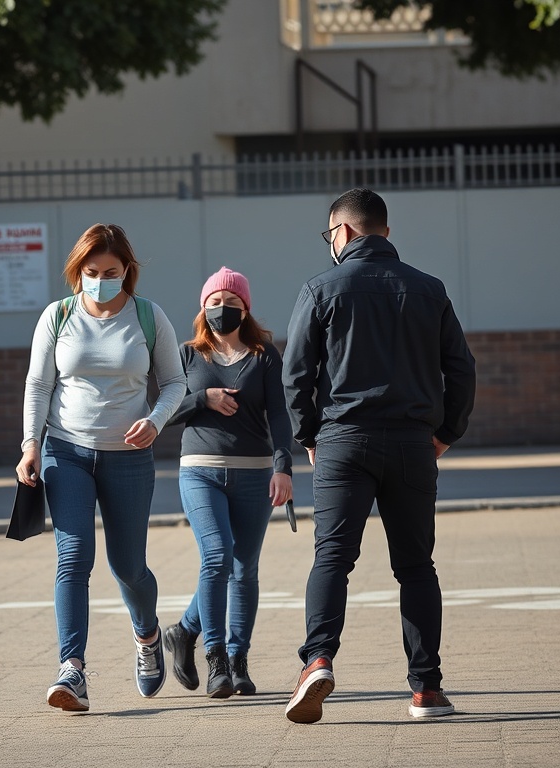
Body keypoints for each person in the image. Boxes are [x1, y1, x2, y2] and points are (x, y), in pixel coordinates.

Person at [281, 188, 476, 724]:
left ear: (342, 233)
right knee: (416, 567)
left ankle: (317, 660)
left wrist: (310, 437)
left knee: (333, 558)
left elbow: (296, 373)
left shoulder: (321, 288)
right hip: (414, 443)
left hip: (345, 440)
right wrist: (446, 434)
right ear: (384, 232)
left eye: (330, 236)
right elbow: (461, 369)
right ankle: (426, 690)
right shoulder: (429, 289)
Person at [16, 223, 187, 713]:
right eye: (89, 272)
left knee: (128, 566)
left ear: (126, 270)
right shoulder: (58, 316)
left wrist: (155, 422)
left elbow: (174, 382)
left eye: (109, 272)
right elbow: (37, 385)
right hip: (65, 451)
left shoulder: (149, 318)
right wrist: (31, 445)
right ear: (78, 271)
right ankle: (73, 670)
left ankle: (148, 635)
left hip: (129, 456)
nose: (98, 280)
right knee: (73, 558)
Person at [162, 267, 293, 699]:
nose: (222, 309)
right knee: (217, 555)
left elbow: (278, 413)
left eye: (231, 303)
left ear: (246, 308)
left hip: (255, 471)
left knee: (245, 569)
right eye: (214, 302)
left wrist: (283, 467)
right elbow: (163, 409)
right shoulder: (185, 354)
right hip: (199, 468)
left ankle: (234, 658)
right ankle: (215, 657)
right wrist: (203, 398)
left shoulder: (264, 354)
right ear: (203, 308)